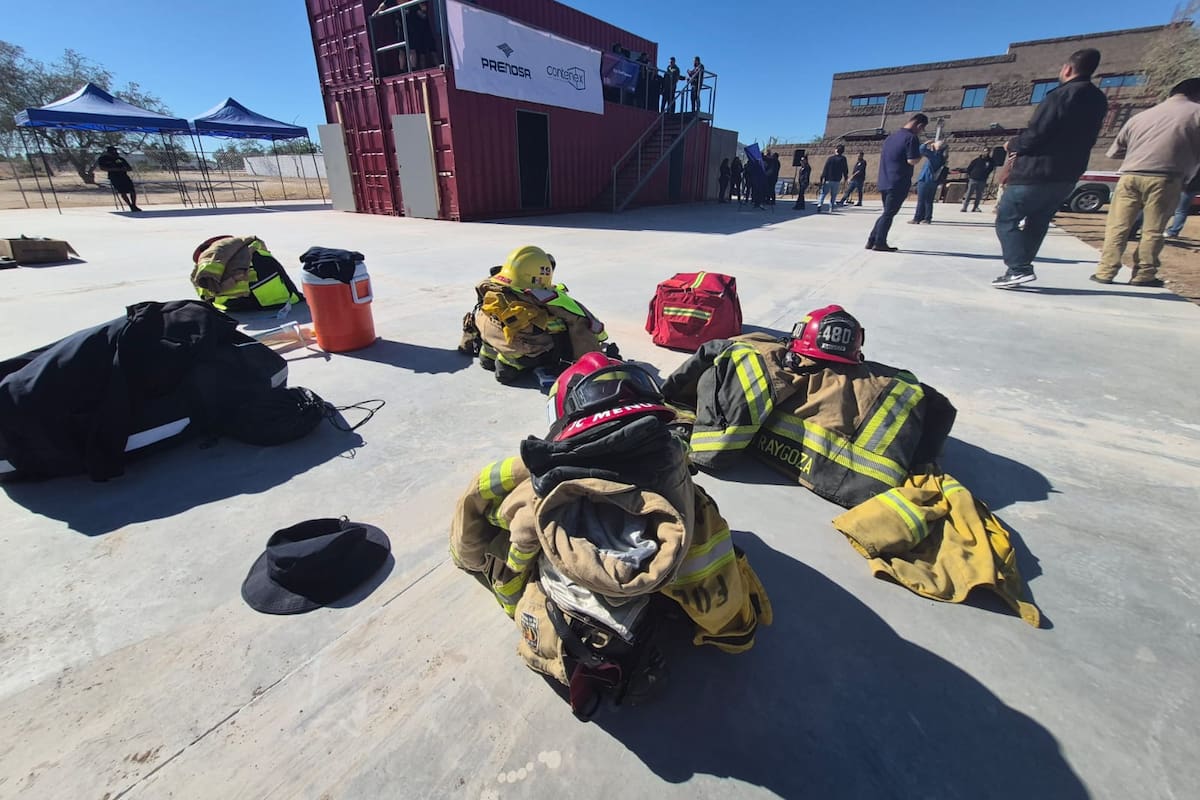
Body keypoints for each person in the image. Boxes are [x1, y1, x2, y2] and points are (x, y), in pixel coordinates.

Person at [991, 49, 1107, 288]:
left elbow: (1036, 135)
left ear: (1067, 69)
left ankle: (1019, 268)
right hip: (1066, 175)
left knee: (1006, 220)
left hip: (1035, 172)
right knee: (1038, 221)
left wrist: (1012, 144)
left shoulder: (1060, 96)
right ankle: (1020, 268)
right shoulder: (1098, 99)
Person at [1090, 78, 1200, 287]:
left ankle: (1105, 271)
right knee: (1152, 230)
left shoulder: (1141, 116)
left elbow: (1115, 151)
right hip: (1166, 179)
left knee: (1117, 226)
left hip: (1130, 176)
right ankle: (1143, 275)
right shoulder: (1196, 114)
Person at [458, 246, 614, 384]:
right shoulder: (546, 296)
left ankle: (489, 353)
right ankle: (512, 362)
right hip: (520, 344)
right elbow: (584, 320)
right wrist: (598, 349)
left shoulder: (491, 284)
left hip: (489, 334)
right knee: (557, 327)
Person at [866, 114, 928, 251]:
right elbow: (912, 160)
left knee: (886, 212)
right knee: (889, 213)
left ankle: (872, 240)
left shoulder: (891, 138)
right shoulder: (911, 138)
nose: (921, 131)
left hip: (884, 180)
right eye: (922, 129)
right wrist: (923, 152)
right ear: (919, 125)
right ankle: (879, 243)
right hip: (898, 182)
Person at [910, 140, 948, 224]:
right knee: (928, 200)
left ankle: (917, 218)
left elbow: (921, 150)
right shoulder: (941, 157)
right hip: (933, 181)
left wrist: (926, 143)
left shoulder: (935, 155)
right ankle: (927, 218)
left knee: (921, 200)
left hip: (925, 180)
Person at [96, 146, 140, 212]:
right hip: (114, 177)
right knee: (123, 192)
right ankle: (130, 206)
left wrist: (123, 169)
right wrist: (115, 169)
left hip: (124, 176)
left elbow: (129, 168)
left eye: (115, 151)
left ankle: (134, 205)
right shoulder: (103, 159)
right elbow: (103, 168)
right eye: (112, 151)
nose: (114, 152)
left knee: (132, 191)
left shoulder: (120, 159)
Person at [1166, 168, 1200, 238]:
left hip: (1186, 186)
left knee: (1178, 210)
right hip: (1192, 187)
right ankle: (1173, 231)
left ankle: (1172, 231)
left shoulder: (1193, 160)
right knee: (1181, 210)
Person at [816, 145, 849, 213]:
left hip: (828, 179)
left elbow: (825, 169)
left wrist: (822, 178)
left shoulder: (830, 158)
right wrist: (845, 178)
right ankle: (831, 207)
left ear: (836, 150)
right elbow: (845, 169)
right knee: (833, 195)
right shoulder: (843, 159)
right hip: (836, 180)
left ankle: (820, 204)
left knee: (823, 193)